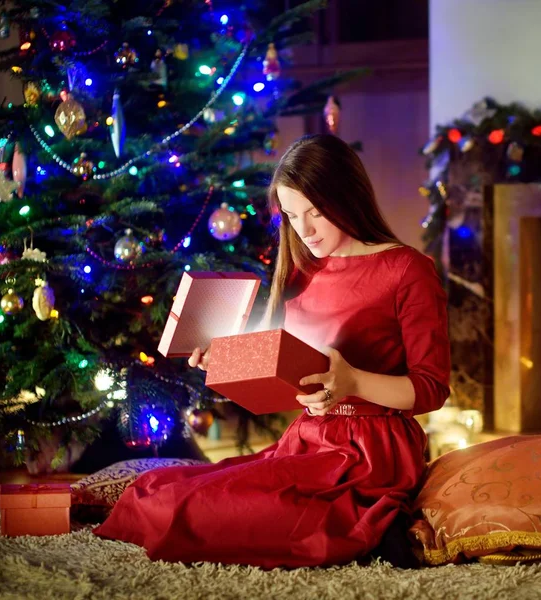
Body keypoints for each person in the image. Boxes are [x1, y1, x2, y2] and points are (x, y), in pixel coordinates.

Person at [93, 134, 451, 569]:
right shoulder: (302, 271)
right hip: (305, 443)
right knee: (153, 491)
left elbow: (431, 389)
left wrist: (354, 381)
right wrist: (226, 360)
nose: (306, 229)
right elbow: (284, 372)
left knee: (197, 512)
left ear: (349, 196)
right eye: (292, 215)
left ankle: (377, 526)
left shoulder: (407, 269)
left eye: (317, 212)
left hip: (369, 457)